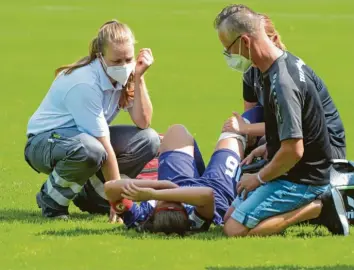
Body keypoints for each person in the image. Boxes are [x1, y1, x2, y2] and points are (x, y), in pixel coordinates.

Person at [214, 4, 349, 236]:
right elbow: (302, 129)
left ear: (245, 42)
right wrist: (267, 147)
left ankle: (318, 207)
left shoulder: (283, 83)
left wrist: (257, 178)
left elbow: (294, 151)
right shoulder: (273, 67)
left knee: (234, 230)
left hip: (302, 177)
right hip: (291, 168)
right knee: (228, 216)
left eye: (229, 49)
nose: (229, 57)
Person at [24, 20, 160, 219]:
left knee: (149, 139)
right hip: (43, 143)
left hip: (82, 141)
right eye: (116, 61)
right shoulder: (85, 83)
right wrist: (118, 197)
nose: (123, 66)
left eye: (128, 59)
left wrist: (138, 76)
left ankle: (92, 197)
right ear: (100, 57)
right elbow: (102, 144)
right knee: (92, 149)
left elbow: (143, 121)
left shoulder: (124, 76)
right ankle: (51, 201)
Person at [226, 13, 346, 159]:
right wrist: (247, 133)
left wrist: (247, 129)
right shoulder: (251, 73)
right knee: (249, 149)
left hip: (323, 145)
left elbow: (294, 127)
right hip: (289, 134)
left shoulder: (286, 77)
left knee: (266, 151)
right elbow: (252, 116)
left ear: (274, 40)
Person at [104, 123, 246, 235]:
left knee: (177, 131)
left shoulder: (141, 218)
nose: (171, 198)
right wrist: (156, 193)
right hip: (217, 190)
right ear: (185, 213)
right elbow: (207, 194)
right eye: (178, 202)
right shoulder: (195, 222)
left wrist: (160, 185)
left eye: (166, 201)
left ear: (152, 215)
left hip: (176, 180)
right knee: (232, 132)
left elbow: (110, 187)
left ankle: (194, 166)